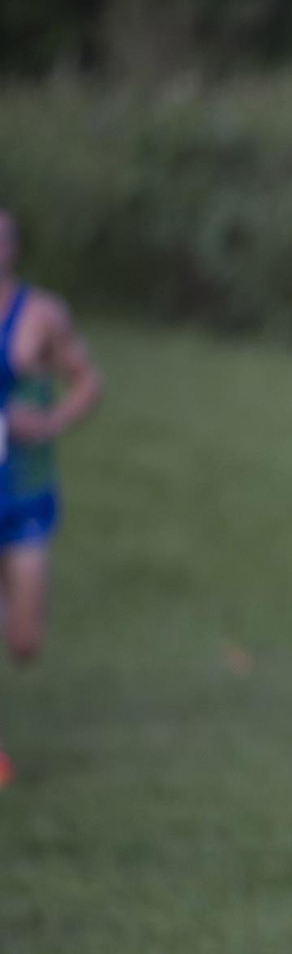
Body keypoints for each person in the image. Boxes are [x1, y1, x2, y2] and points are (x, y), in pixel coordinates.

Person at [0, 209, 105, 787]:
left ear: (12, 250)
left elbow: (90, 382)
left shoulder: (41, 315)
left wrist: (51, 421)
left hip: (24, 497)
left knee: (24, 642)